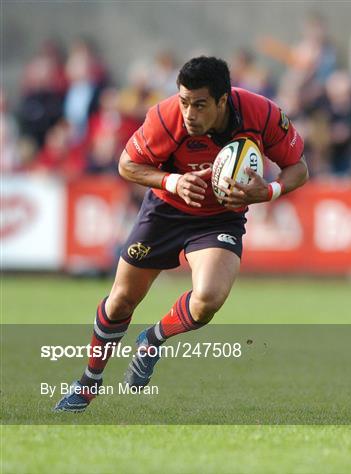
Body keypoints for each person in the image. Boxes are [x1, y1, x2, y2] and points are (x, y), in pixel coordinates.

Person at [54, 56, 309, 412]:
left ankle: (152, 340)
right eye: (185, 101)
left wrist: (267, 192)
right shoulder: (165, 116)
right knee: (121, 301)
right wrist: (172, 180)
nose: (189, 112)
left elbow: (298, 167)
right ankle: (88, 382)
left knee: (207, 301)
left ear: (223, 101)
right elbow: (127, 164)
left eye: (200, 105)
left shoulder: (261, 114)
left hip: (219, 219)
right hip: (164, 212)